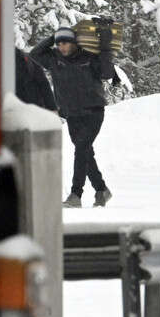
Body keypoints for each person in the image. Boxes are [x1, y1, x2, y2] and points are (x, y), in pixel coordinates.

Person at [29, 26, 119, 208]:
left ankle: (76, 194)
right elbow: (34, 54)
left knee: (81, 148)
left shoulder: (88, 57)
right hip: (71, 113)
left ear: (74, 43)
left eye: (66, 43)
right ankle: (101, 189)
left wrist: (105, 48)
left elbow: (107, 73)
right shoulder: (54, 59)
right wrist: (53, 37)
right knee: (85, 152)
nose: (62, 47)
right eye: (59, 44)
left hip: (93, 111)